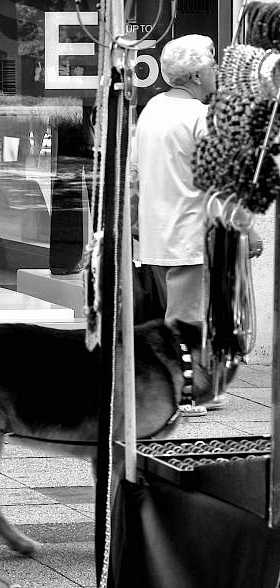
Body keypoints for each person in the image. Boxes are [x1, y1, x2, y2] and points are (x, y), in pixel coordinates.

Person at [130, 35, 218, 414]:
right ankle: (186, 393)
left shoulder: (152, 109)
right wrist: (246, 228)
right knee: (187, 320)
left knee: (174, 318)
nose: (217, 73)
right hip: (189, 232)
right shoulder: (199, 117)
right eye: (213, 66)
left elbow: (134, 174)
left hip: (156, 232)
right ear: (197, 75)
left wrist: (135, 217)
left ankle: (192, 386)